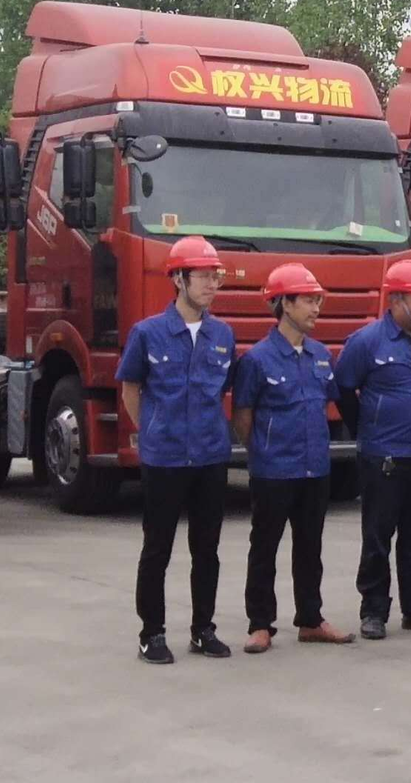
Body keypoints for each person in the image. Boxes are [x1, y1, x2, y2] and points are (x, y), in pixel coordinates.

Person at [119, 236, 237, 664]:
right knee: (158, 549)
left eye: (215, 276)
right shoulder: (147, 333)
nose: (211, 284)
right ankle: (151, 633)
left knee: (207, 549)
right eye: (203, 276)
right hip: (165, 459)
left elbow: (223, 391)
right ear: (178, 279)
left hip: (210, 456)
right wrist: (154, 431)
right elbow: (131, 389)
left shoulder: (223, 334)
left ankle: (203, 630)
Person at [232, 263, 354, 654]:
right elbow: (243, 416)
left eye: (318, 300)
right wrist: (263, 451)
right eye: (308, 301)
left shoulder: (321, 356)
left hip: (314, 467)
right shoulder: (257, 360)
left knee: (310, 547)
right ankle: (260, 624)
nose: (316, 308)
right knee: (264, 547)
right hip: (273, 470)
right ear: (284, 303)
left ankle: (311, 619)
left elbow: (329, 403)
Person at [335, 259, 411, 640]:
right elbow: (344, 388)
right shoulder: (367, 341)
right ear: (397, 300)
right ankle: (374, 611)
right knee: (378, 536)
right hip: (383, 454)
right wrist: (367, 428)